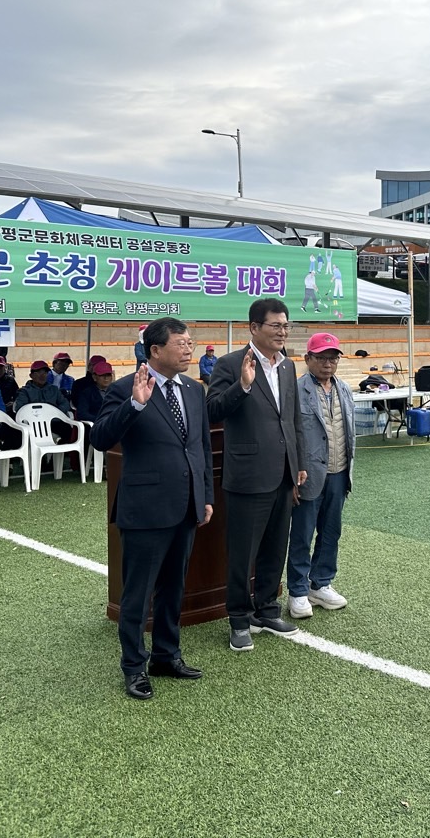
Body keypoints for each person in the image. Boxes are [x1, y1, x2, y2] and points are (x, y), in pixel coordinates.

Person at [90, 318, 213, 700]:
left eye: (190, 342)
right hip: (145, 509)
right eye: (181, 343)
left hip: (186, 505)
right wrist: (134, 405)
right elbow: (100, 438)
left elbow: (201, 448)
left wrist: (206, 495)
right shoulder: (127, 388)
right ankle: (133, 666)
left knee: (173, 588)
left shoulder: (194, 390)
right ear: (155, 350)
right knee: (137, 594)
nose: (189, 349)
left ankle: (166, 655)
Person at [207, 298, 307, 653]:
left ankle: (266, 610)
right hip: (248, 474)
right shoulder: (231, 363)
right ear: (254, 327)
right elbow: (213, 409)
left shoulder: (287, 366)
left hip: (283, 473)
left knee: (275, 548)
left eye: (286, 326)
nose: (282, 332)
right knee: (242, 552)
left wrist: (298, 463)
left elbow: (292, 419)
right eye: (275, 326)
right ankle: (239, 617)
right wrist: (243, 385)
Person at [287, 333, 355, 619]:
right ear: (308, 359)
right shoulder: (295, 389)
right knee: (302, 535)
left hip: (339, 471)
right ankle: (298, 590)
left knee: (330, 533)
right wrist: (292, 473)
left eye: (333, 358)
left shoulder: (345, 389)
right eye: (322, 357)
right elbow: (289, 436)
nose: (328, 363)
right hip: (308, 474)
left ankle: (321, 583)